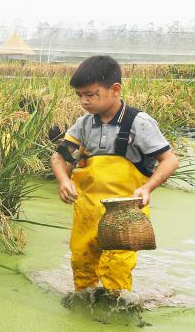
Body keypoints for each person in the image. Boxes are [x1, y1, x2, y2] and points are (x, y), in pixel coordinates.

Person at [50, 55, 179, 298]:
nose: (84, 101)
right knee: (82, 262)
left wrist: (148, 188)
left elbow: (170, 160)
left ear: (115, 89)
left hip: (125, 212)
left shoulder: (138, 124)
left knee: (116, 268)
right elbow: (60, 157)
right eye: (80, 96)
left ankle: (116, 307)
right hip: (87, 210)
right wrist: (64, 180)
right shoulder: (84, 124)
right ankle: (84, 303)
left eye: (91, 94)